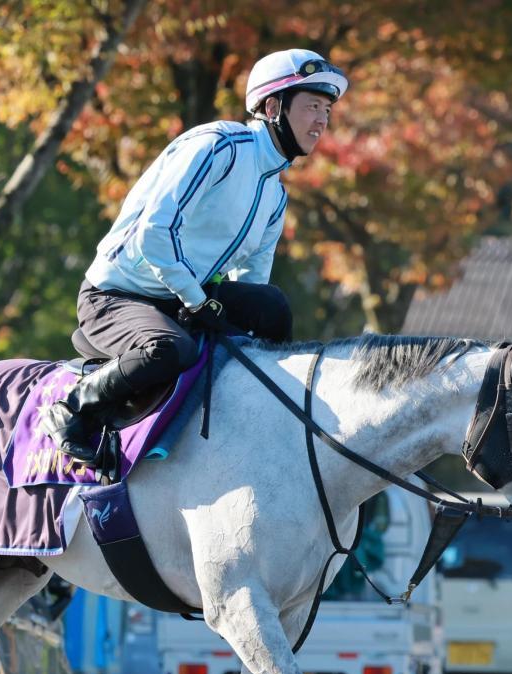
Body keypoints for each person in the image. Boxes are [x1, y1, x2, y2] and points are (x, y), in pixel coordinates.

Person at [43, 49, 349, 463]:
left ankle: (265, 423)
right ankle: (75, 408)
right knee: (172, 349)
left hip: (183, 297)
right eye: (313, 105)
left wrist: (241, 333)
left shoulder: (275, 193)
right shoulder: (217, 146)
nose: (321, 121)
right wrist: (198, 299)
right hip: (115, 297)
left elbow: (252, 280)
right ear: (272, 106)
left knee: (272, 306)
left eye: (327, 110)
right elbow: (155, 234)